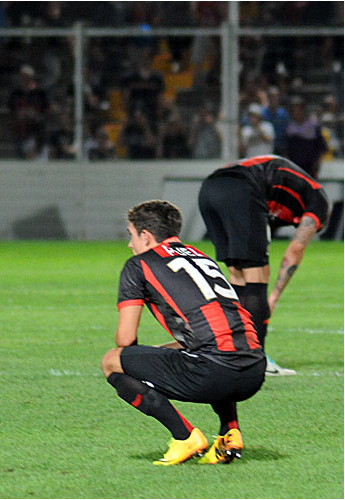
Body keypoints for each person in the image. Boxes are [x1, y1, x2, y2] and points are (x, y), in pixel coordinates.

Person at [101, 200, 265, 466]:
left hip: (214, 374)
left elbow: (126, 340)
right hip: (255, 370)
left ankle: (184, 436)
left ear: (146, 235)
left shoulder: (139, 265)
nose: (130, 244)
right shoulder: (202, 257)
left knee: (112, 360)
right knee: (192, 349)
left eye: (131, 235)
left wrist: (139, 369)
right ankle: (230, 432)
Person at [198, 155, 331, 375]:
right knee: (257, 278)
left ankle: (235, 351)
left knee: (237, 275)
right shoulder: (320, 203)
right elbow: (296, 248)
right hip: (243, 187)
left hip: (209, 188)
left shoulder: (280, 203)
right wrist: (274, 297)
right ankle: (256, 359)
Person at [284, 96, 328, 179]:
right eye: (293, 109)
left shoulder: (313, 126)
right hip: (295, 172)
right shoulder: (290, 128)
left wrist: (314, 168)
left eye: (298, 108)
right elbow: (288, 151)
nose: (295, 112)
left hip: (311, 172)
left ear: (303, 110)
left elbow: (321, 149)